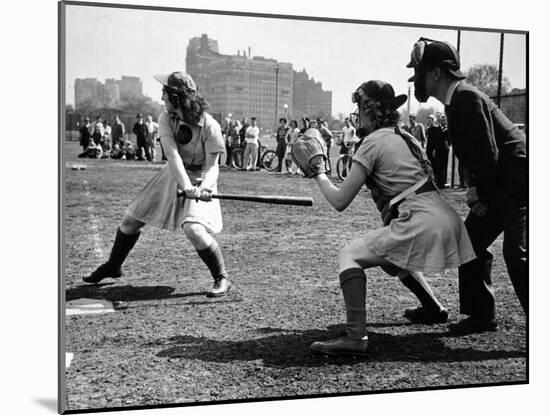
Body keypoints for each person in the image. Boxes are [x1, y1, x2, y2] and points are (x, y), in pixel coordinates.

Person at [300, 80, 475, 356]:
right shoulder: (404, 135)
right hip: (443, 216)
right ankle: (432, 308)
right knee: (389, 255)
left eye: (360, 107)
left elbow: (339, 201)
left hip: (422, 218)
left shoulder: (371, 142)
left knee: (350, 255)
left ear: (370, 111)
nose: (357, 114)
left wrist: (318, 171)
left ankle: (356, 337)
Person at [406, 37, 527, 332]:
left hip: (519, 181)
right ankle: (482, 316)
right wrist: (479, 190)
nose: (416, 80)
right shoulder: (454, 100)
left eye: (419, 72)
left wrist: (481, 194)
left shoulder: (466, 97)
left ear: (436, 73)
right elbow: (475, 155)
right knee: (469, 243)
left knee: (516, 253)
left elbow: (489, 153)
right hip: (499, 181)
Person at [83, 71, 232, 298]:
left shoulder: (210, 126)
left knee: (193, 229)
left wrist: (205, 188)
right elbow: (172, 156)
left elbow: (213, 167)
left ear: (177, 97)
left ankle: (221, 278)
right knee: (129, 222)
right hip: (173, 175)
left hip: (201, 178)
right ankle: (114, 266)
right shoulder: (165, 118)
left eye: (165, 92)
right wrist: (185, 185)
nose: (162, 97)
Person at [425, 113, 450, 188]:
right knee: (436, 166)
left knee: (441, 166)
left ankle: (442, 182)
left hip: (441, 149)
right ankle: (437, 181)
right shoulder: (432, 129)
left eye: (443, 119)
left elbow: (440, 139)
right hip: (434, 149)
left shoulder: (438, 129)